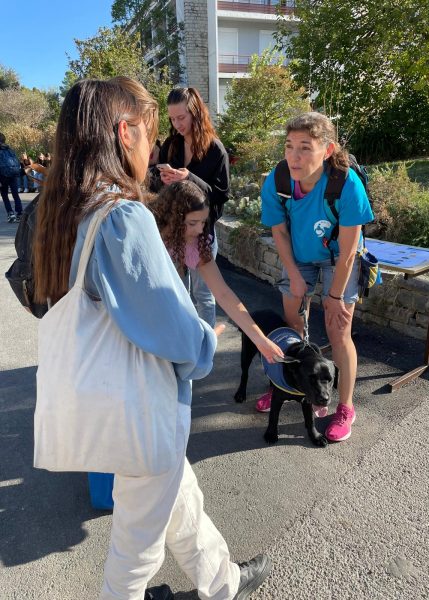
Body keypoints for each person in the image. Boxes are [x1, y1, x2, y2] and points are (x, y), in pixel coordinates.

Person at [33, 76, 272, 600]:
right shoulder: (121, 216)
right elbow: (172, 328)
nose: (153, 145)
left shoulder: (65, 211)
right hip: (142, 409)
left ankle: (224, 581)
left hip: (113, 405)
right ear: (125, 132)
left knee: (180, 501)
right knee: (135, 551)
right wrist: (206, 342)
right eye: (149, 132)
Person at [259, 112, 374, 443]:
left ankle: (345, 407)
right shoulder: (279, 179)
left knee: (339, 331)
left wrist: (334, 296)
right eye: (289, 146)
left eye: (305, 147)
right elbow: (279, 231)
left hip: (340, 257)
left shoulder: (345, 182)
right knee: (293, 329)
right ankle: (284, 384)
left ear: (327, 149)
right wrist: (294, 275)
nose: (294, 156)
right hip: (300, 255)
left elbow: (351, 248)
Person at [150, 180, 285, 364]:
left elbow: (223, 293)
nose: (199, 229)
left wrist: (260, 339)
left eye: (203, 222)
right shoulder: (146, 232)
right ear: (173, 217)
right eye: (192, 222)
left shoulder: (195, 243)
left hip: (170, 325)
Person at [154, 87, 229, 328]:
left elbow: (221, 195)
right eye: (172, 118)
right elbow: (160, 192)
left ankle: (206, 353)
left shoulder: (215, 149)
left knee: (204, 297)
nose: (177, 124)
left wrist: (189, 178)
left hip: (201, 233)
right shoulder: (171, 145)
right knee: (178, 292)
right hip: (174, 231)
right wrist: (164, 180)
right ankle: (184, 345)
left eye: (181, 117)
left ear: (196, 113)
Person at [0, 132, 23, 223]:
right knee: (15, 194)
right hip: (13, 174)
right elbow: (16, 161)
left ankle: (11, 213)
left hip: (2, 176)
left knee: (4, 195)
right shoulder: (10, 149)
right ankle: (20, 213)